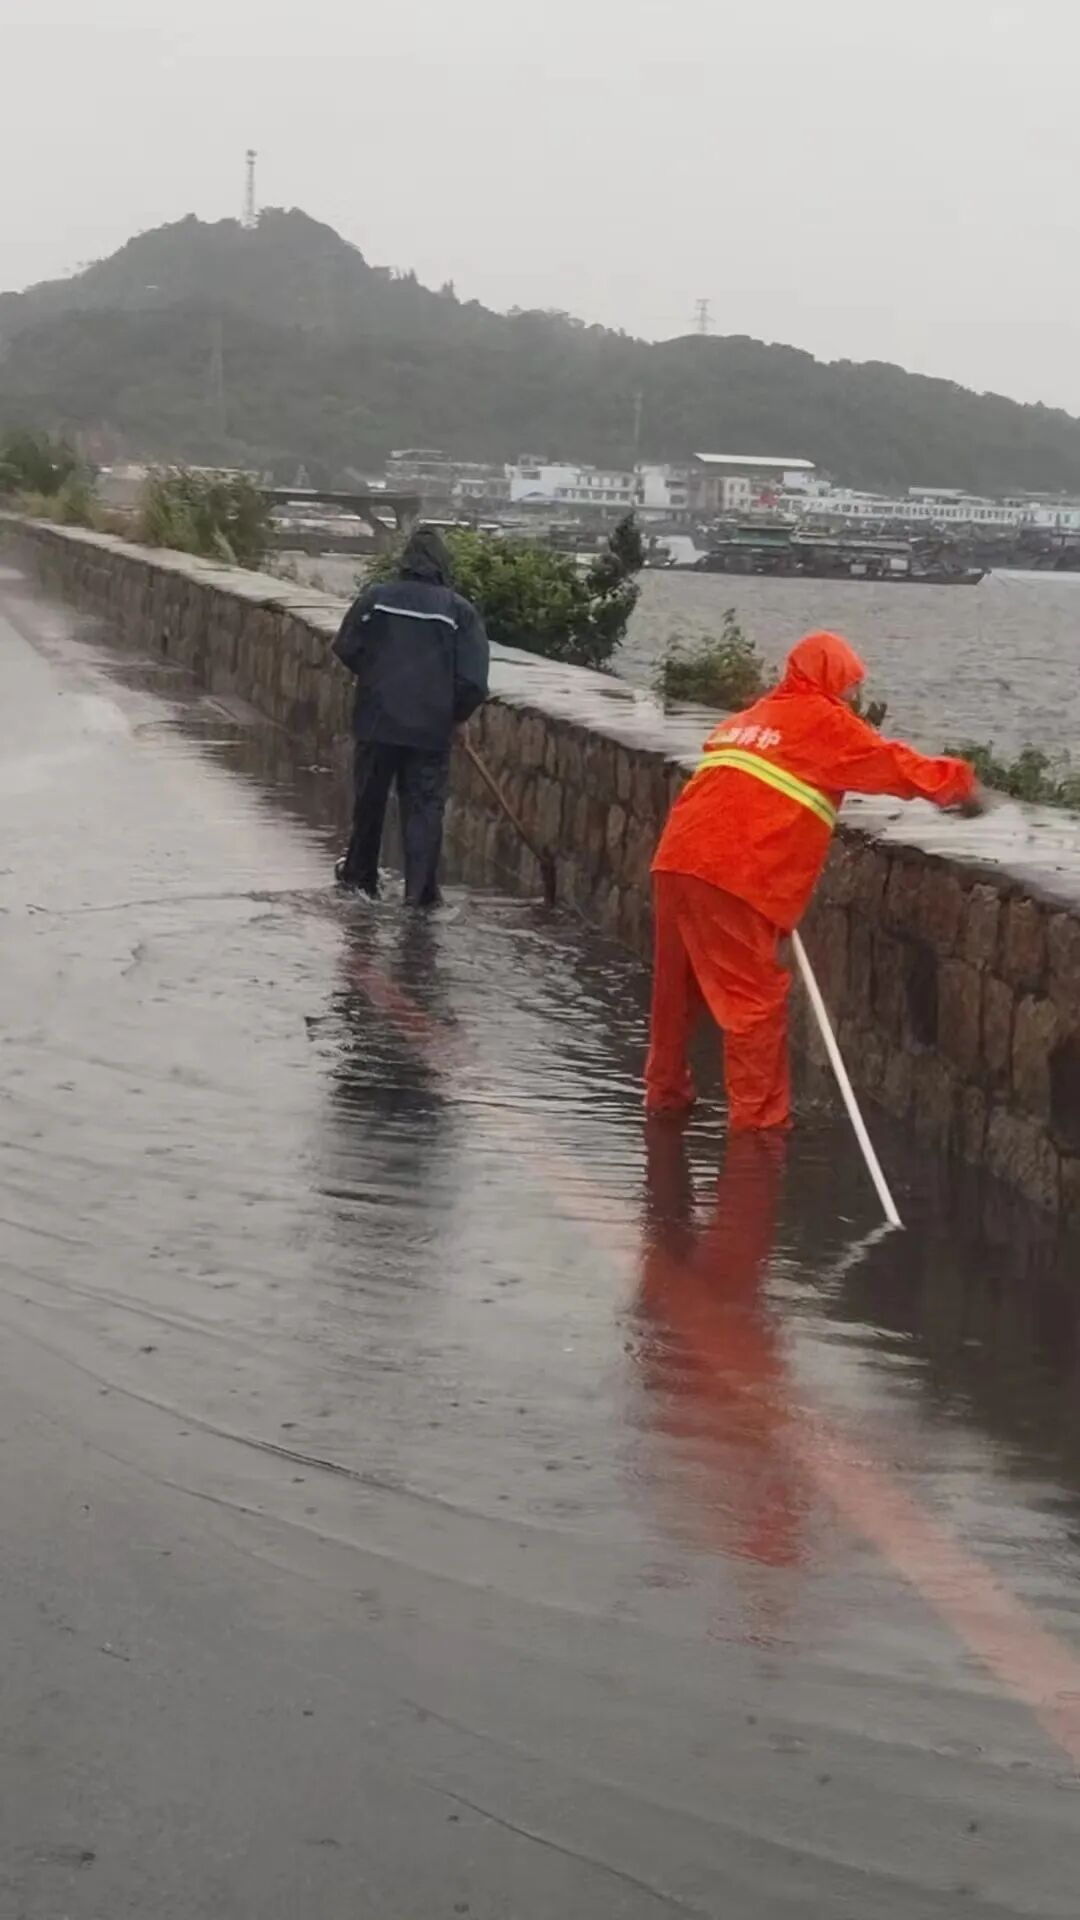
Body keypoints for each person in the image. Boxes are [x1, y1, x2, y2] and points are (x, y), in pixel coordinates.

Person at [646, 628, 983, 1130]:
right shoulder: (825, 723)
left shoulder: (747, 720)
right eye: (847, 685)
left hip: (676, 859)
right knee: (752, 1005)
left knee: (674, 993)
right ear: (832, 680)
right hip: (735, 873)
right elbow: (895, 765)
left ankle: (665, 1095)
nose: (850, 696)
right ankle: (759, 1130)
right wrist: (962, 785)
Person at [332, 527, 489, 906]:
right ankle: (419, 895)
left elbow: (346, 646)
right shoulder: (458, 611)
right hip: (429, 730)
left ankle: (360, 878)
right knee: (423, 809)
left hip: (376, 720)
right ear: (441, 565)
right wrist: (457, 716)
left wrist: (376, 678)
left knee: (370, 800)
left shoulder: (377, 599)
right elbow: (472, 680)